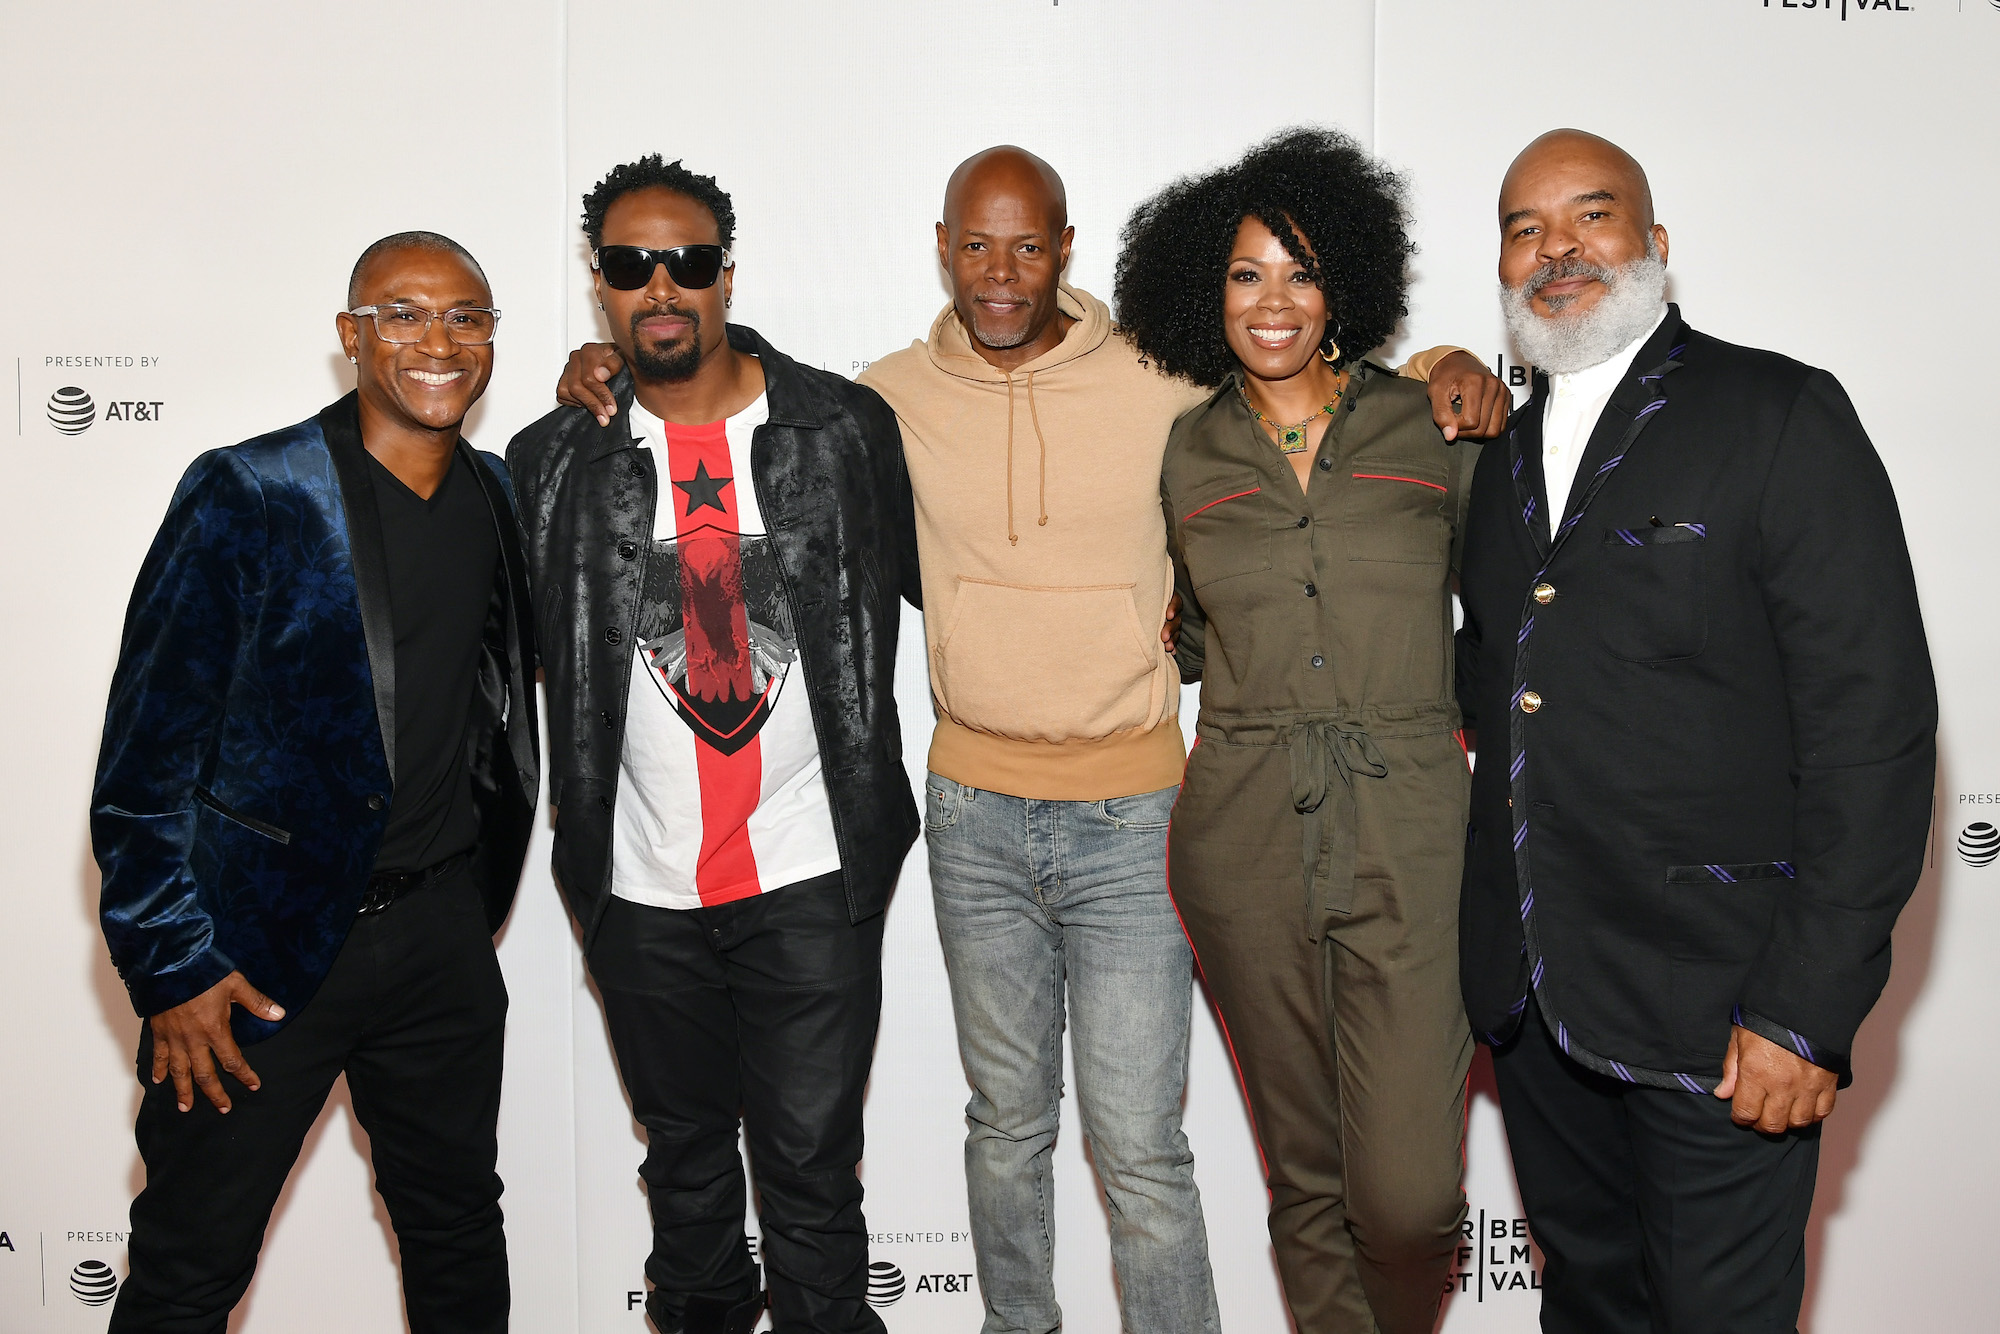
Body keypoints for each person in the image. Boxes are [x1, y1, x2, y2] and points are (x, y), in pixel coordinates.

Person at [558, 144, 1501, 1334]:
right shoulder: (881, 399)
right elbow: (732, 395)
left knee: (1141, 1143)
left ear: (1065, 249)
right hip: (973, 809)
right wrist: (596, 367)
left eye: (1026, 244)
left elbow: (1302, 388)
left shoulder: (1164, 379)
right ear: (941, 250)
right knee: (1005, 1122)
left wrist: (1443, 363)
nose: (999, 272)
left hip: (1140, 810)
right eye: (973, 244)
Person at [1455, 129, 1936, 1333]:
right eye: (1525, 227)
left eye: (1591, 216)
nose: (1556, 248)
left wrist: (1801, 1008)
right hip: (1539, 1004)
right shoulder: (1496, 457)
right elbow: (1497, 695)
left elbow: (1870, 732)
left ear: (1654, 247)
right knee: (1591, 1310)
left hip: (1723, 1017)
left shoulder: (1774, 411)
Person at [91, 232, 539, 1333]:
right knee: (192, 1259)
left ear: (489, 340)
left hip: (437, 934)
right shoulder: (252, 491)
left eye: (465, 317)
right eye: (402, 314)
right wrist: (171, 962)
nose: (437, 340)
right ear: (351, 336)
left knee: (456, 1237)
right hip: (256, 959)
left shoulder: (495, 494)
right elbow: (144, 758)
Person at [509, 155, 920, 1334]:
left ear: (725, 275)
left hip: (808, 865)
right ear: (602, 286)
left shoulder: (841, 428)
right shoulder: (553, 461)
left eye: (686, 262)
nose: (661, 287)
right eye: (631, 266)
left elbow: (938, 586)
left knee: (808, 1173)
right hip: (638, 880)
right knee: (685, 1173)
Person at [1114, 127, 1506, 1334]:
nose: (1271, 300)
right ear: (1205, 291)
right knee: (1305, 1172)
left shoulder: (1433, 425)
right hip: (1240, 825)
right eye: (1243, 274)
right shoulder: (1188, 451)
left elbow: (1510, 607)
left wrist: (1465, 368)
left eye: (1297, 270)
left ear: (1345, 286)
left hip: (1410, 815)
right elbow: (1189, 632)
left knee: (1407, 1197)